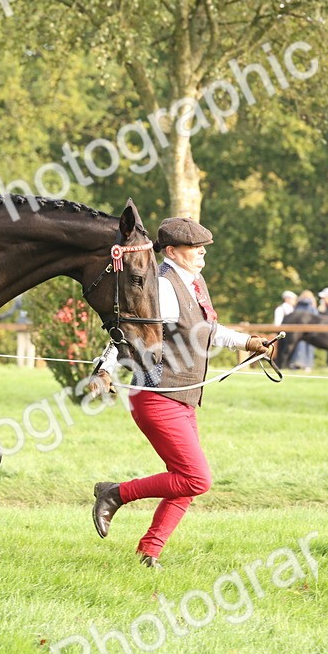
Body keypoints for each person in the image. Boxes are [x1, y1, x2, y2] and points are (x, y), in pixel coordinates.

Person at [87, 217, 273, 569]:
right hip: (157, 396)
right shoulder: (163, 287)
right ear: (171, 251)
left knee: (184, 481)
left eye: (203, 247)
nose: (202, 253)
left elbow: (207, 330)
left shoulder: (193, 282)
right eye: (195, 248)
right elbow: (129, 331)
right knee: (196, 478)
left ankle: (149, 552)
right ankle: (116, 493)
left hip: (183, 397)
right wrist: (105, 369)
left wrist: (248, 342)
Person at [289, 290, 318, 371]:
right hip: (310, 331)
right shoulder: (311, 307)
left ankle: (296, 363)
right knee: (309, 347)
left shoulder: (297, 306)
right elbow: (316, 318)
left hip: (298, 331)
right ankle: (308, 365)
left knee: (298, 346)